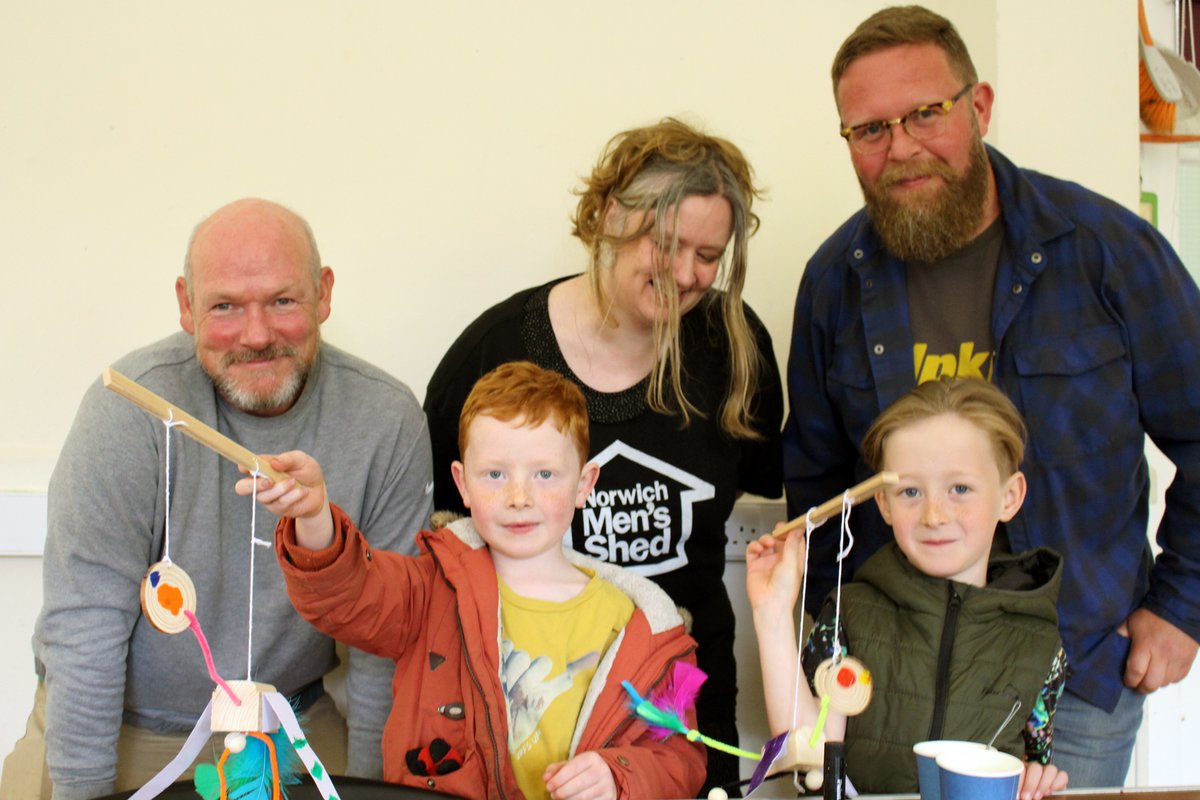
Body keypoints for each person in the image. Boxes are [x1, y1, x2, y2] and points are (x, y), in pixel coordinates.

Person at [782, 5, 1200, 787]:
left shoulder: (1106, 250)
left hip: (1074, 679)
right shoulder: (834, 280)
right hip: (890, 681)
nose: (900, 147)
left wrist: (1184, 605)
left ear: (979, 107)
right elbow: (817, 487)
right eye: (869, 130)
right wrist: (821, 645)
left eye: (925, 113)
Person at [0, 198, 434, 800]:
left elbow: (383, 645)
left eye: (283, 301)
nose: (256, 336)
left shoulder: (387, 420)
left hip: (289, 732)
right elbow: (85, 627)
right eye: (225, 306)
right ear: (186, 305)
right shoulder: (128, 408)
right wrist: (84, 791)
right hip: (126, 729)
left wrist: (367, 787)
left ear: (324, 293)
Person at [423, 118, 784, 794]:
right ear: (611, 216)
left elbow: (760, 489)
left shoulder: (734, 348)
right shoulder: (496, 351)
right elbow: (437, 540)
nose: (686, 275)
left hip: (678, 697)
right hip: (533, 703)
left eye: (709, 255)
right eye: (668, 244)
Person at [241, 361, 706, 799]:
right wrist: (315, 517)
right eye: (495, 475)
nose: (518, 497)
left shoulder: (642, 628)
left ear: (584, 484)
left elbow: (680, 758)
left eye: (545, 474)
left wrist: (616, 776)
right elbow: (351, 596)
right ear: (462, 484)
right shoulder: (430, 588)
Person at [752, 378, 1068, 798]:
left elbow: (1032, 770)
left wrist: (1038, 780)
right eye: (911, 491)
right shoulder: (849, 614)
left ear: (1009, 497)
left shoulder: (1041, 641)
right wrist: (772, 614)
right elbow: (809, 754)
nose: (934, 515)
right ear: (883, 503)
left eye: (959, 489)